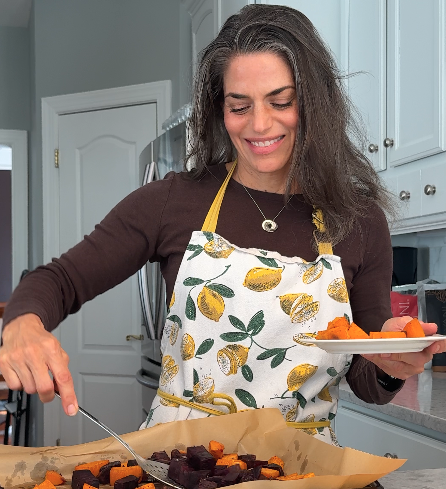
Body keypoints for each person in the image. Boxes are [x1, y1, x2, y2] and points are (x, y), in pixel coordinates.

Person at [1, 4, 444, 445]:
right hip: (178, 461)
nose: (259, 124)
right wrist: (22, 323)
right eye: (239, 106)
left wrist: (391, 363)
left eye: (281, 102)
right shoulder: (174, 200)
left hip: (303, 467)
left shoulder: (358, 220)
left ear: (315, 102)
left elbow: (367, 375)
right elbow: (59, 280)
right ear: (220, 108)